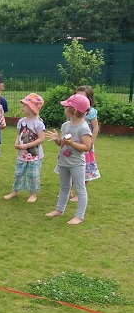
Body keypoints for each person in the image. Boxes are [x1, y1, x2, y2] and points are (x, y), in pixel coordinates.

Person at [45, 93, 93, 225]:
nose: (64, 107)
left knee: (80, 189)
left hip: (77, 164)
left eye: (66, 106)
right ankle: (59, 210)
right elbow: (62, 143)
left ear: (74, 111)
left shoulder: (83, 128)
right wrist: (57, 139)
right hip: (63, 162)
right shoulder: (65, 125)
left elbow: (87, 147)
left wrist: (71, 143)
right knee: (64, 187)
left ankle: (79, 216)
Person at [3, 93, 45, 203]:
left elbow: (41, 139)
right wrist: (16, 142)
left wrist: (26, 146)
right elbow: (19, 133)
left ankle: (33, 194)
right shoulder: (21, 121)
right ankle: (14, 191)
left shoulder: (38, 123)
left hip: (35, 156)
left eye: (25, 105)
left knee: (33, 175)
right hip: (22, 154)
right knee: (18, 173)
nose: (22, 106)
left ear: (32, 108)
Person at [70, 84, 100, 200]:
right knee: (71, 166)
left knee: (85, 169)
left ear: (89, 99)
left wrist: (91, 142)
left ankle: (80, 194)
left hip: (86, 145)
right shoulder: (71, 111)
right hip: (73, 144)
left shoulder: (91, 112)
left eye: (83, 97)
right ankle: (69, 190)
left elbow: (95, 127)